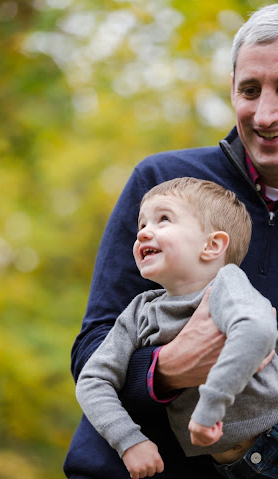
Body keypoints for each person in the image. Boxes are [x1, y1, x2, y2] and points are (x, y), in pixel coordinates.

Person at [64, 5, 278, 478]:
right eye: (250, 89)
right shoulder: (163, 183)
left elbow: (259, 335)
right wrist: (167, 369)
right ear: (231, 89)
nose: (265, 115)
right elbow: (92, 355)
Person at [76, 178, 278, 479]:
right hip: (233, 468)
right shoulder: (139, 311)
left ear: (211, 245)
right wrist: (129, 441)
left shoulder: (227, 285)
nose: (143, 232)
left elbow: (258, 332)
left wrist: (211, 406)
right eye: (141, 224)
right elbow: (92, 379)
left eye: (163, 220)